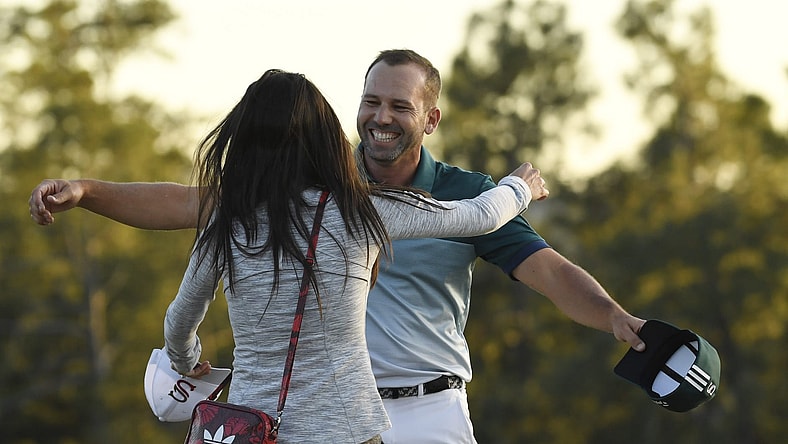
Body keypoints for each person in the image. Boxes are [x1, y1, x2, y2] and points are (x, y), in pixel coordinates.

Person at [30, 50, 644, 443]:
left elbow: (548, 268)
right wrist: (522, 185)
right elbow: (478, 216)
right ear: (338, 119)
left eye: (399, 105)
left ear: (429, 118)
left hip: (401, 411)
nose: (381, 115)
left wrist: (613, 315)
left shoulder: (250, 210)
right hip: (348, 425)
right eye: (370, 101)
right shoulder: (351, 205)